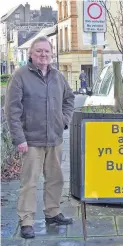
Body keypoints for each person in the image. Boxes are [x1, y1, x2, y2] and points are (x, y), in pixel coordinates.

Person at [4, 36, 75, 239]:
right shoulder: (20, 76)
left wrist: (64, 120)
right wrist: (20, 139)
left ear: (51, 54)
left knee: (55, 179)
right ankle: (26, 220)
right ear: (31, 54)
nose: (43, 55)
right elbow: (12, 111)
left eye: (47, 51)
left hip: (54, 138)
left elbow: (69, 99)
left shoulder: (58, 76)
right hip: (31, 141)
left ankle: (52, 212)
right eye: (39, 51)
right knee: (30, 182)